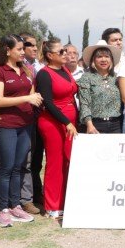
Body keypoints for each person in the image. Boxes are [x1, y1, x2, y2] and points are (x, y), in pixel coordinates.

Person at [0, 34, 42, 227]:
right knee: (6, 167)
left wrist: (32, 98)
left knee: (19, 167)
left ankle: (14, 205)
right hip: (7, 125)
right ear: (7, 50)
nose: (22, 52)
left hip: (25, 125)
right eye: (19, 49)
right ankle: (2, 209)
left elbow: (31, 93)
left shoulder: (25, 69)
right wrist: (27, 99)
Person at [35, 40, 78, 219]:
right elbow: (48, 103)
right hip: (54, 122)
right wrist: (66, 122)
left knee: (68, 161)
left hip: (70, 121)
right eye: (61, 52)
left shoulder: (65, 70)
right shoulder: (44, 74)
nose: (65, 54)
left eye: (66, 51)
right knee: (55, 163)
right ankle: (52, 206)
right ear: (50, 55)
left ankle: (66, 201)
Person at [19, 32, 43, 211]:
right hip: (19, 119)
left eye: (36, 45)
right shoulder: (17, 68)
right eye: (29, 45)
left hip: (36, 118)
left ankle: (34, 194)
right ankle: (22, 199)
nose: (34, 48)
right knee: (22, 161)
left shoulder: (38, 67)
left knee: (34, 161)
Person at [79, 41, 123, 133]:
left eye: (107, 56)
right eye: (99, 57)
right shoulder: (86, 77)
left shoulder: (116, 77)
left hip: (116, 124)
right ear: (93, 60)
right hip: (95, 125)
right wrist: (89, 125)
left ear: (111, 59)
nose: (104, 60)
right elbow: (84, 103)